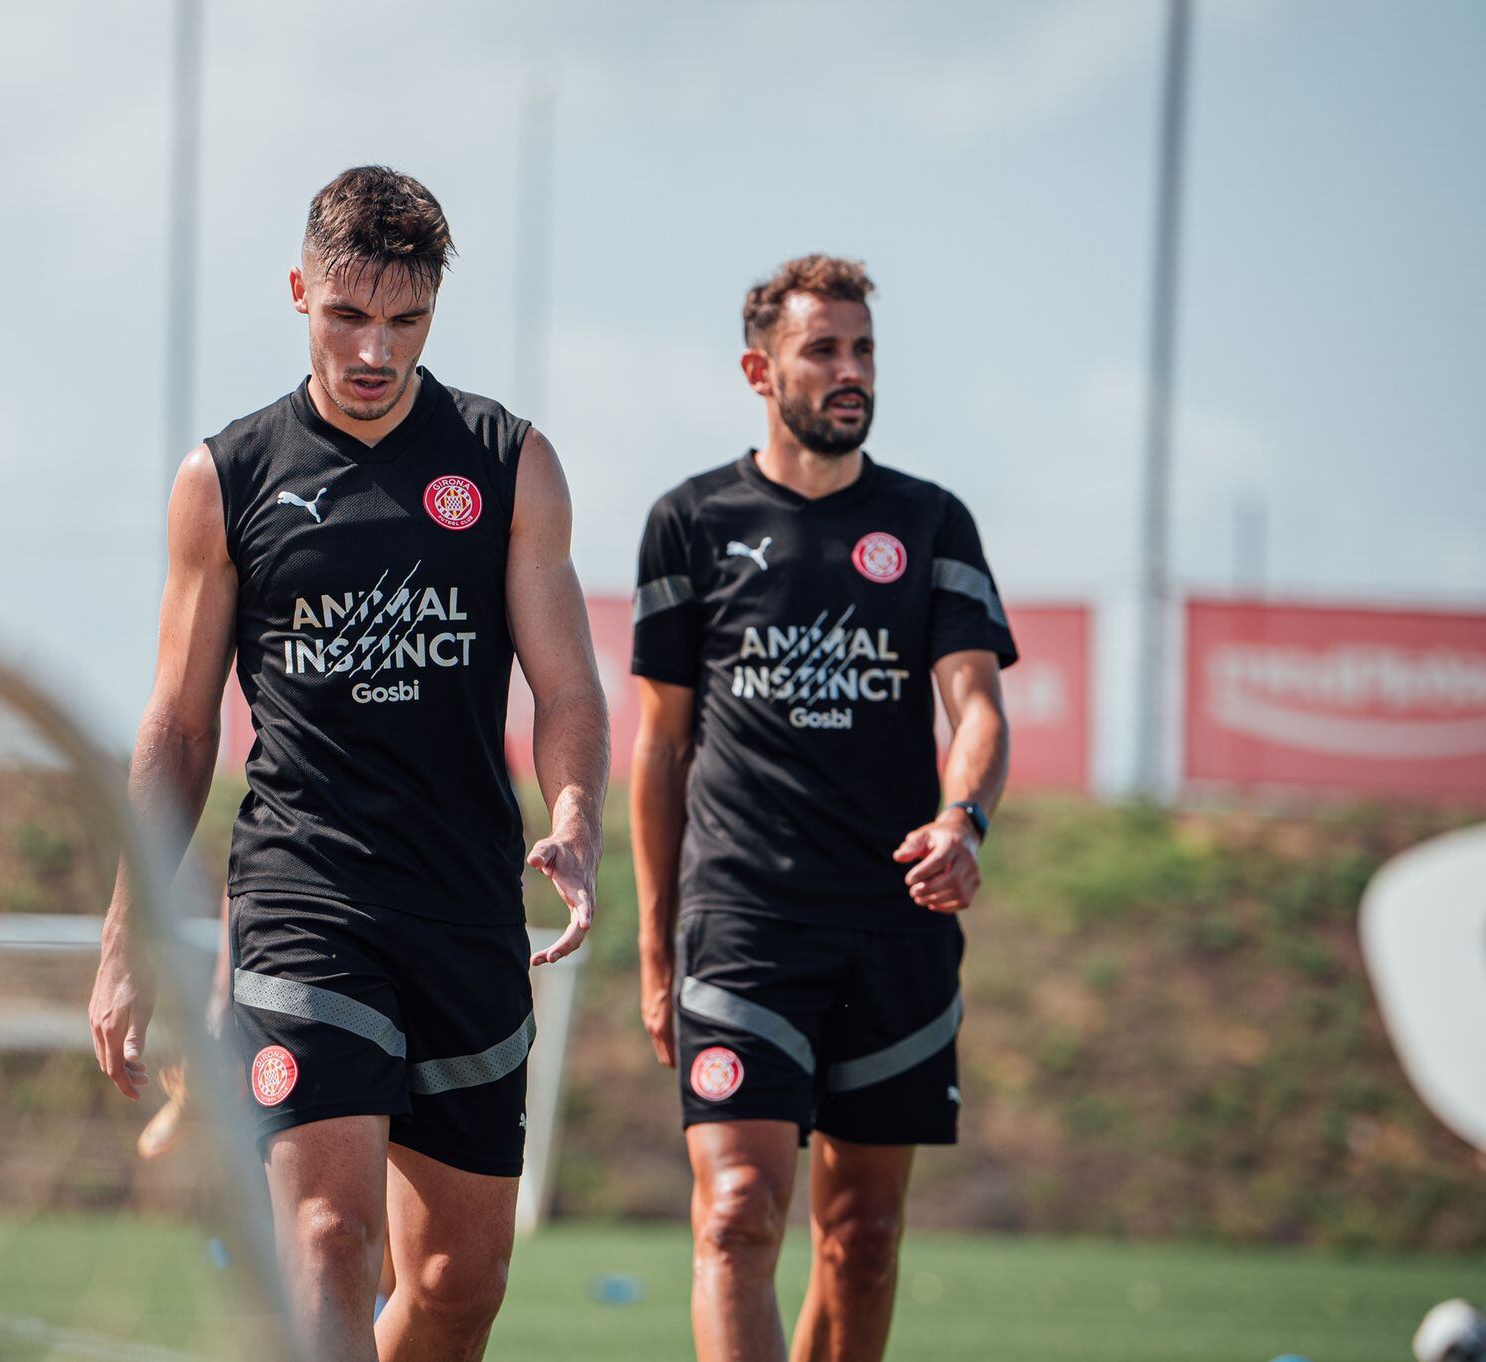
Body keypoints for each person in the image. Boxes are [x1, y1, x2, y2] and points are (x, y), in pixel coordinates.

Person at [88, 165, 608, 1362]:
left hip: (463, 903)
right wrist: (125, 941)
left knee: (456, 1285)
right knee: (328, 1238)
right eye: (346, 315)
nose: (375, 350)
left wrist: (576, 815)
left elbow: (569, 688)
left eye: (405, 320)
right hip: (303, 897)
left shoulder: (506, 462)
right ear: (298, 293)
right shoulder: (226, 478)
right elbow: (178, 728)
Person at [630, 256, 1014, 1362]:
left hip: (894, 924)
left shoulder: (930, 522)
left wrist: (962, 821)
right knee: (737, 1209)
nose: (851, 371)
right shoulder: (689, 521)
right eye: (823, 350)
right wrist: (655, 947)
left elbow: (976, 709)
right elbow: (659, 748)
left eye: (863, 350)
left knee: (862, 1239)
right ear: (760, 371)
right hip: (743, 923)